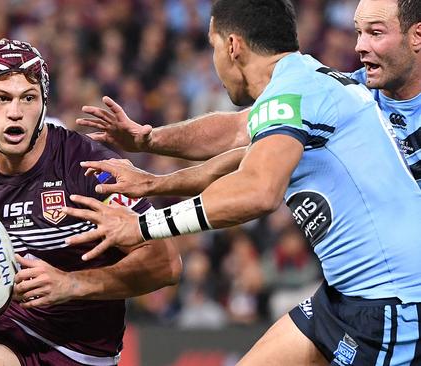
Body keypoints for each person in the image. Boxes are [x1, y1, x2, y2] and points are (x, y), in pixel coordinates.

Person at [64, 0, 421, 364]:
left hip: (389, 304)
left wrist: (143, 226)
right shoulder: (307, 84)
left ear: (232, 45)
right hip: (344, 296)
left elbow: (258, 191)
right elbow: (236, 136)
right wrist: (151, 158)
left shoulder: (297, 91)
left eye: (213, 45)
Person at [0, 39, 181, 366]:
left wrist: (72, 284)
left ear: (43, 104)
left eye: (27, 98)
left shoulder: (90, 169)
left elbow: (166, 264)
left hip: (86, 354)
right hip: (1, 337)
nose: (15, 112)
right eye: (1, 98)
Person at [78, 0, 421, 188]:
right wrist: (148, 140)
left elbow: (258, 189)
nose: (359, 47)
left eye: (375, 33)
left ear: (416, 36)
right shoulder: (348, 92)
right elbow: (240, 130)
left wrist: (150, 220)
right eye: (358, 33)